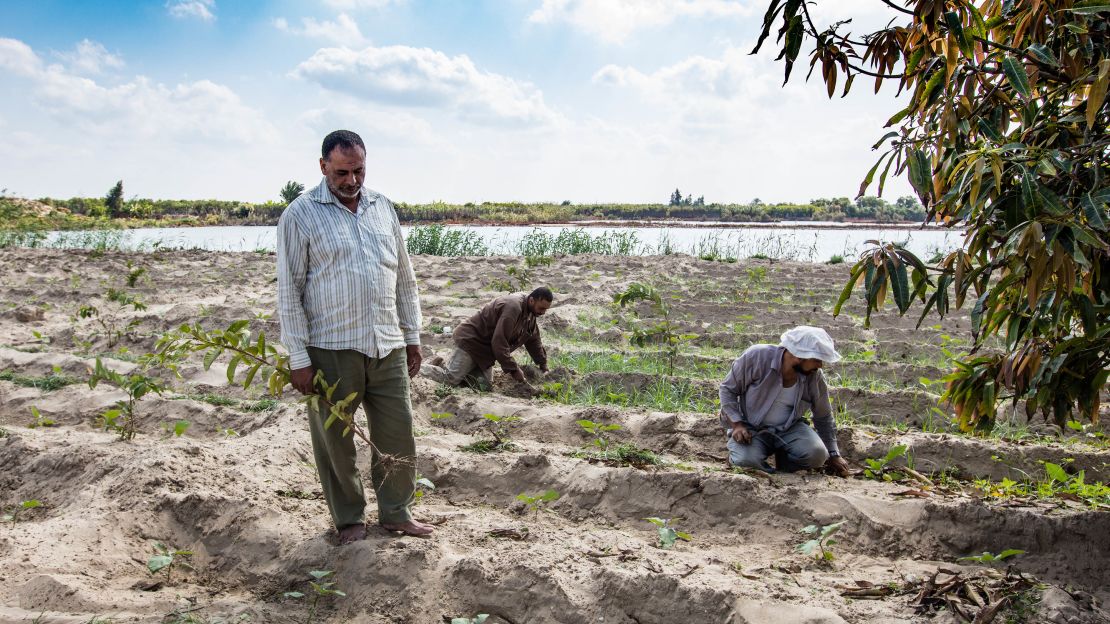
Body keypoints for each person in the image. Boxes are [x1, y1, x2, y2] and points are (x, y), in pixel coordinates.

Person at [277, 129, 433, 544]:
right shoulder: (300, 213)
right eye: (342, 172)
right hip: (330, 348)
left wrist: (411, 335)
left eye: (359, 170)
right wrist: (298, 358)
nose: (351, 180)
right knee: (336, 442)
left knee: (399, 433)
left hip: (387, 344)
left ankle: (397, 512)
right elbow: (289, 291)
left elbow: (403, 278)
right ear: (323, 166)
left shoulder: (383, 208)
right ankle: (348, 520)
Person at [719, 326, 851, 477]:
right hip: (751, 428)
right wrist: (737, 424)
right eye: (816, 360)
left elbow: (823, 416)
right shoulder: (756, 357)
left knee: (817, 455)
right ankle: (745, 461)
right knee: (745, 461)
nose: (820, 365)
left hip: (789, 428)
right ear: (798, 355)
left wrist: (834, 454)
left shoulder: (814, 377)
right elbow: (727, 389)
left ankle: (784, 464)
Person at [422, 288, 552, 389]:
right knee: (450, 379)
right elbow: (499, 343)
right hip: (471, 341)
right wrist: (513, 369)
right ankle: (416, 368)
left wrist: (543, 364)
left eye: (545, 309)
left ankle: (450, 366)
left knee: (483, 386)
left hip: (485, 351)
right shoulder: (513, 308)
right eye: (541, 308)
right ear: (531, 300)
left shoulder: (531, 314)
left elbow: (533, 339)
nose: (543, 312)